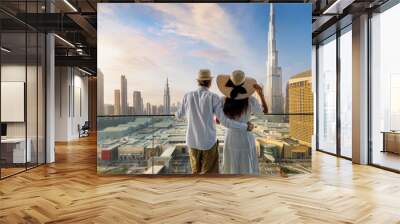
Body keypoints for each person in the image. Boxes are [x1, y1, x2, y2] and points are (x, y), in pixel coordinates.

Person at [175, 69, 254, 174]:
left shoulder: (187, 96)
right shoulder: (213, 97)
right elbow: (225, 121)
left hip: (192, 142)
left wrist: (176, 114)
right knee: (209, 176)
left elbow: (179, 115)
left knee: (195, 173)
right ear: (210, 82)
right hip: (209, 143)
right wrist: (245, 126)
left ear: (198, 81)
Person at [216, 70, 268, 175]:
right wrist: (261, 95)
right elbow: (264, 113)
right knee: (246, 165)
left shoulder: (223, 100)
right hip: (246, 136)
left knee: (231, 165)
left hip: (231, 137)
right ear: (244, 83)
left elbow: (218, 120)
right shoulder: (250, 100)